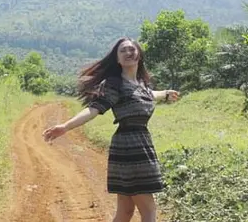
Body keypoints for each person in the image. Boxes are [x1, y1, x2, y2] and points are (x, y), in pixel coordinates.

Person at [42, 37, 180, 222]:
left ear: (139, 54)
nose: (128, 53)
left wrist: (165, 94)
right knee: (149, 210)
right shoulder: (115, 84)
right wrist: (65, 126)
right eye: (123, 50)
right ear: (117, 59)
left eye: (131, 49)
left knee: (125, 212)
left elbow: (148, 94)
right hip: (130, 148)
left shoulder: (142, 85)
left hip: (140, 146)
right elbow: (93, 109)